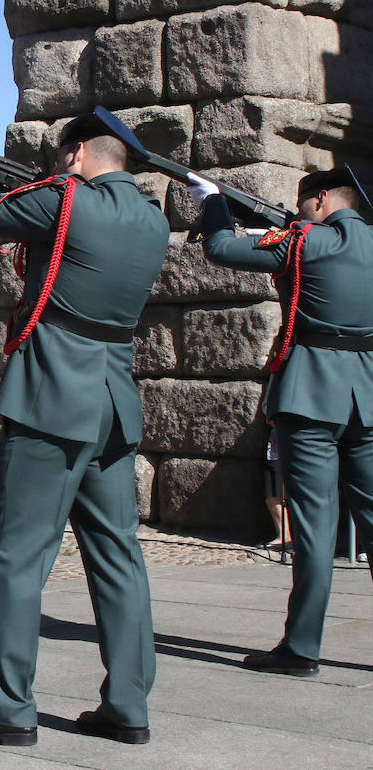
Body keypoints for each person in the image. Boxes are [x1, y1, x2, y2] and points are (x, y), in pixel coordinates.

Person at [0, 109, 167, 746]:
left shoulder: (64, 200)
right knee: (118, 556)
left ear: (78, 154)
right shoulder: (152, 219)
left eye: (65, 157)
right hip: (112, 400)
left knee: (15, 553)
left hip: (51, 395)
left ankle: (9, 707)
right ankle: (129, 704)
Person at [193, 165, 373, 676]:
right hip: (368, 392)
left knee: (314, 528)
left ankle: (302, 648)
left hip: (311, 393)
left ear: (319, 201)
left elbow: (222, 249)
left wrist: (212, 205)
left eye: (301, 206)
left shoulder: (306, 243)